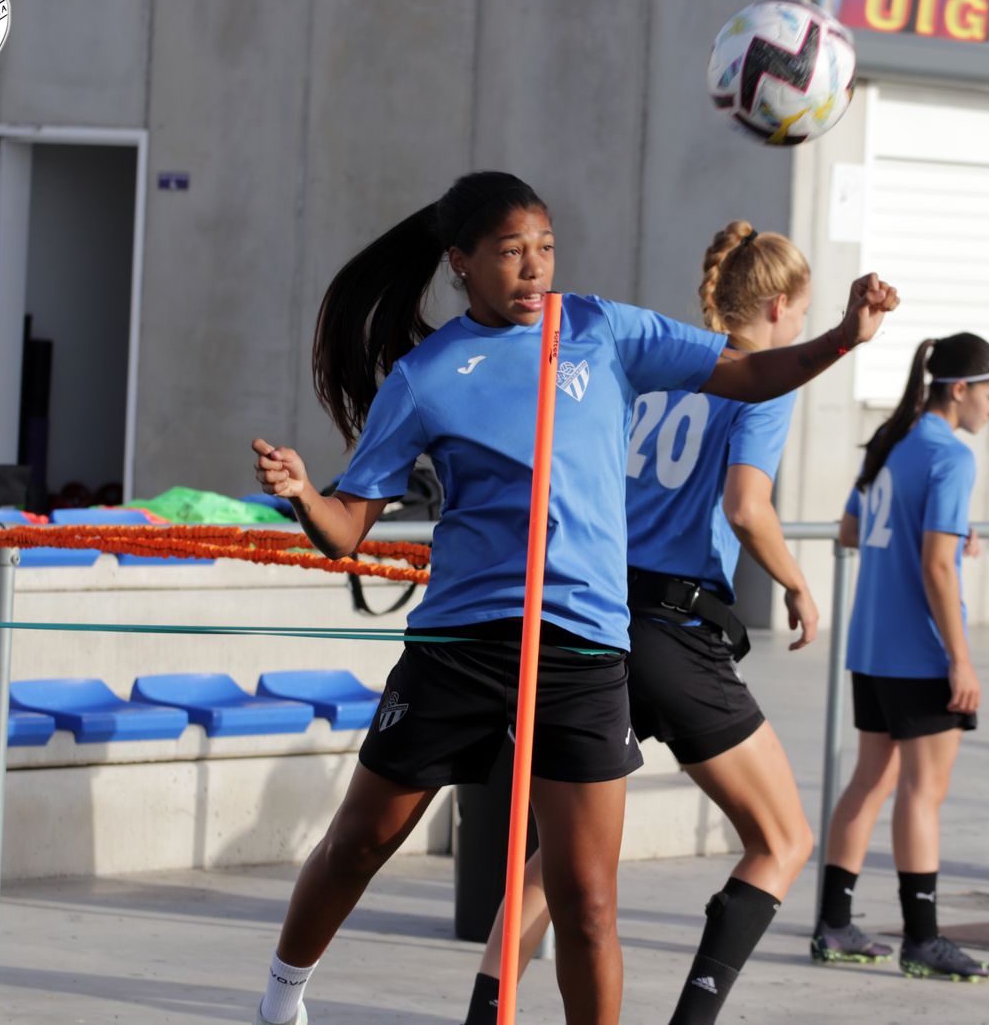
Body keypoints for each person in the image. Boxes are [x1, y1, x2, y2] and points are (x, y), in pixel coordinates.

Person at [248, 172, 899, 1025]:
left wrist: (844, 338)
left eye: (545, 249)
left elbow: (745, 374)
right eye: (511, 252)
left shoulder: (600, 328)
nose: (533, 269)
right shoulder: (425, 375)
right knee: (362, 841)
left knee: (588, 902)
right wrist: (303, 492)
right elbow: (347, 531)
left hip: (586, 652)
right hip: (461, 648)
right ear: (461, 263)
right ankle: (280, 999)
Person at [460, 221, 825, 1025]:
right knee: (784, 839)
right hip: (674, 631)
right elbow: (746, 505)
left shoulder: (659, 366)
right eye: (803, 314)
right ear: (775, 306)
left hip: (596, 622)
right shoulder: (757, 381)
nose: (802, 329)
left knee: (554, 857)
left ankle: (486, 1016)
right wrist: (797, 582)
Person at [812, 332, 989, 983]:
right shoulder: (951, 456)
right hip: (920, 654)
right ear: (961, 391)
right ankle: (922, 940)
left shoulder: (890, 441)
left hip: (871, 646)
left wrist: (944, 530)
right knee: (923, 793)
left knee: (870, 781)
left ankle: (834, 925)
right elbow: (936, 567)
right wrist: (961, 659)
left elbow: (849, 530)